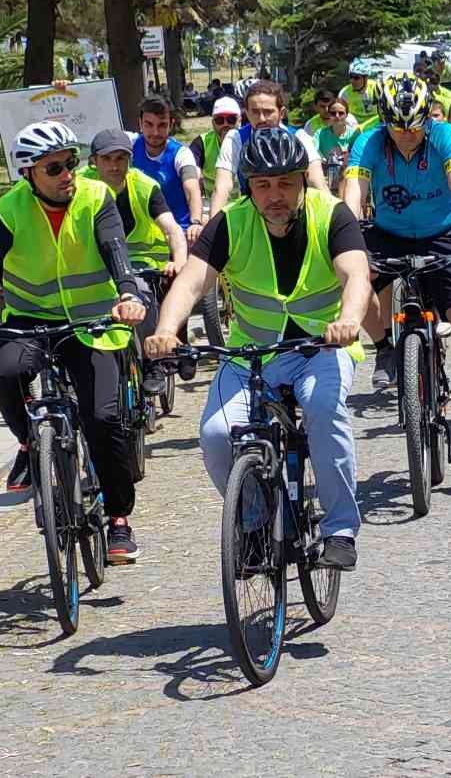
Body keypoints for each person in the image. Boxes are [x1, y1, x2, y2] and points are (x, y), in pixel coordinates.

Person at [145, 126, 369, 572]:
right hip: (253, 354)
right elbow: (191, 281)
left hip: (319, 349)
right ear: (249, 187)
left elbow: (356, 276)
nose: (275, 194)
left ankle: (340, 529)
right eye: (263, 185)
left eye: (285, 182)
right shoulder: (231, 222)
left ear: (303, 179)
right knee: (214, 434)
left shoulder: (333, 215)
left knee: (324, 409)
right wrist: (167, 329)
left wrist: (348, 321)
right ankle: (253, 522)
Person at [0, 121, 149, 562]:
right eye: (54, 167)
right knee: (7, 374)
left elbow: (116, 253)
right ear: (29, 173)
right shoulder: (11, 209)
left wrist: (128, 293)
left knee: (103, 418)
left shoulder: (96, 199)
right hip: (29, 321)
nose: (67, 173)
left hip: (92, 323)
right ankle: (30, 443)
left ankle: (119, 520)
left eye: (71, 162)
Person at [346, 75, 451, 462]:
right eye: (397, 127)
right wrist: (347, 245)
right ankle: (384, 348)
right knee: (356, 285)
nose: (407, 135)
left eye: (415, 126)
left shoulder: (445, 136)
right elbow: (352, 199)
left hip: (441, 234)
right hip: (388, 234)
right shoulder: (369, 142)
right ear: (383, 121)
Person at [79, 129, 190, 393]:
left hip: (141, 263)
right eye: (107, 159)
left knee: (139, 292)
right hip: (96, 264)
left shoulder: (144, 185)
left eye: (121, 158)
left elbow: (172, 229)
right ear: (94, 161)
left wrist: (180, 261)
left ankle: (154, 363)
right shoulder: (80, 185)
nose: (115, 166)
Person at [212, 80, 327, 218]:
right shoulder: (235, 139)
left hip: (293, 214)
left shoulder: (299, 137)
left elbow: (317, 181)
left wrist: (333, 220)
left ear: (282, 113)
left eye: (268, 112)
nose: (261, 119)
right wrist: (213, 230)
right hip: (254, 213)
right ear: (246, 113)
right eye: (255, 112)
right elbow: (222, 187)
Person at [131, 97, 206, 235]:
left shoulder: (182, 155)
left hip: (178, 232)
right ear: (140, 123)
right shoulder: (130, 145)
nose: (155, 132)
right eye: (148, 124)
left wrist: (196, 222)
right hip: (141, 235)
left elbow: (192, 190)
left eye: (162, 125)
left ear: (171, 125)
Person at [187, 97, 241, 230]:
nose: (225, 124)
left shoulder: (247, 139)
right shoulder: (202, 142)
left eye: (231, 119)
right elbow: (191, 174)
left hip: (242, 201)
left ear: (240, 120)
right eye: (219, 120)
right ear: (212, 123)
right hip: (209, 203)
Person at [340, 59, 381, 124]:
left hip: (375, 124)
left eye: (356, 77)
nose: (352, 81)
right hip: (355, 125)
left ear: (366, 78)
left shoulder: (376, 88)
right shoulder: (344, 92)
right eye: (351, 77)